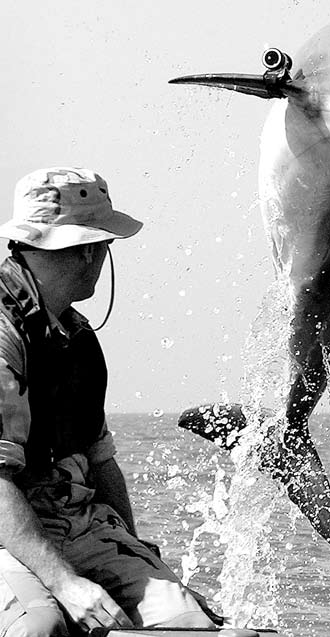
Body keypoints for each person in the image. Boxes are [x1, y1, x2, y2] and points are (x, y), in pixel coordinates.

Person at [0, 168, 220, 635]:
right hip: (7, 532)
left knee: (189, 623)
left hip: (75, 524)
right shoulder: (4, 336)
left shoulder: (76, 338)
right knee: (40, 628)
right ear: (88, 249)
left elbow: (101, 463)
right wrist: (66, 584)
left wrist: (131, 546)